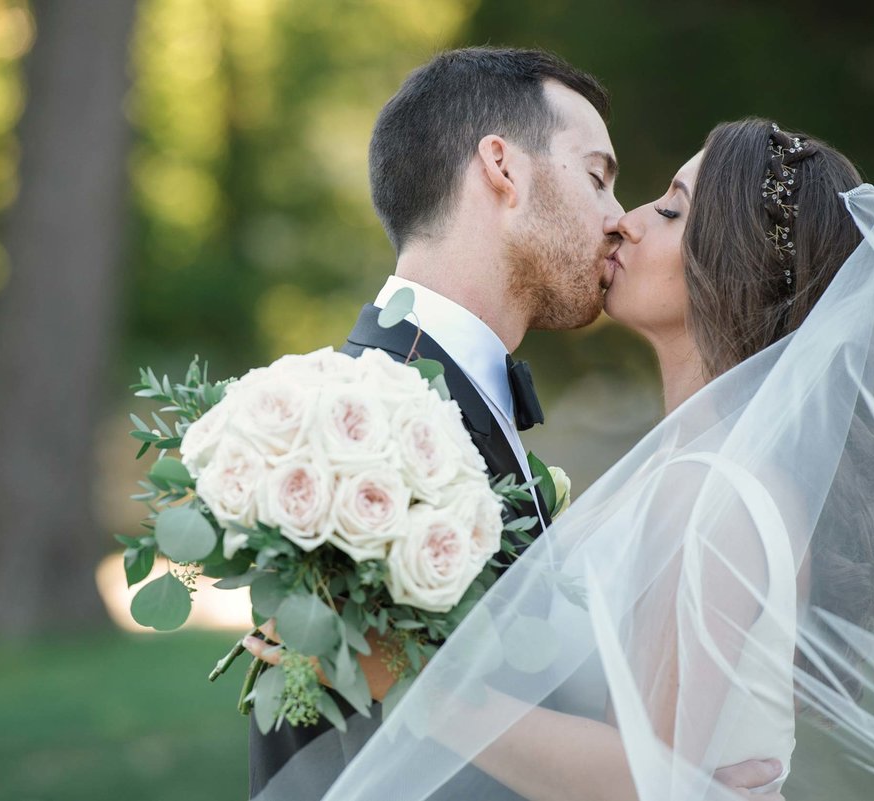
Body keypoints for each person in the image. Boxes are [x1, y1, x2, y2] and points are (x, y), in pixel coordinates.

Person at [252, 117, 874, 800]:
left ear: (731, 265)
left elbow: (647, 778)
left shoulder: (712, 487)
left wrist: (411, 680)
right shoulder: (702, 467)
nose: (624, 223)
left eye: (669, 210)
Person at [247, 46, 784, 800]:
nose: (617, 220)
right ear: (503, 166)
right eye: (598, 176)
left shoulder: (470, 410)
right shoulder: (347, 432)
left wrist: (678, 780)